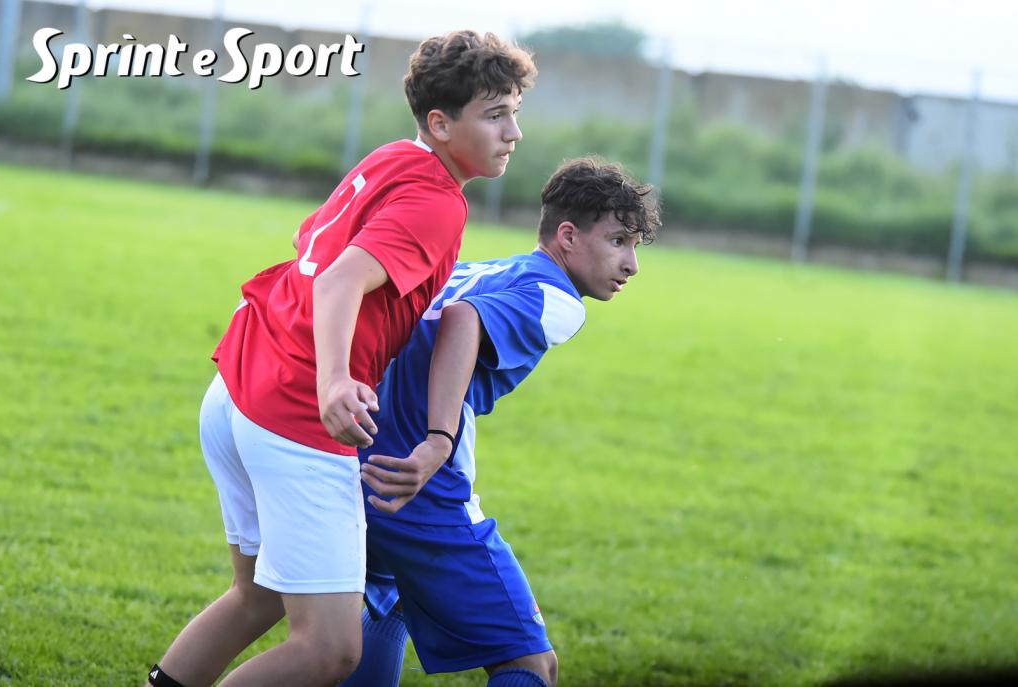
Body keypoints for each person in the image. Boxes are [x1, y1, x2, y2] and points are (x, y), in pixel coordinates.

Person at [146, 31, 536, 687]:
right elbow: (338, 280)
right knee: (329, 650)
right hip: (295, 412)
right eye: (495, 114)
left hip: (239, 385)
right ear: (441, 123)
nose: (513, 132)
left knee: (257, 596)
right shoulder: (438, 201)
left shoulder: (393, 158)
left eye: (514, 113)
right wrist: (333, 379)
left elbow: (313, 249)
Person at [342, 157, 661, 687]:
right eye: (618, 242)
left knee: (394, 596)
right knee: (531, 664)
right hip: (417, 485)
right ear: (567, 236)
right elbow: (463, 320)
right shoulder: (558, 299)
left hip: (353, 459)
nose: (632, 265)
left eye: (635, 246)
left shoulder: (477, 269)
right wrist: (438, 440)